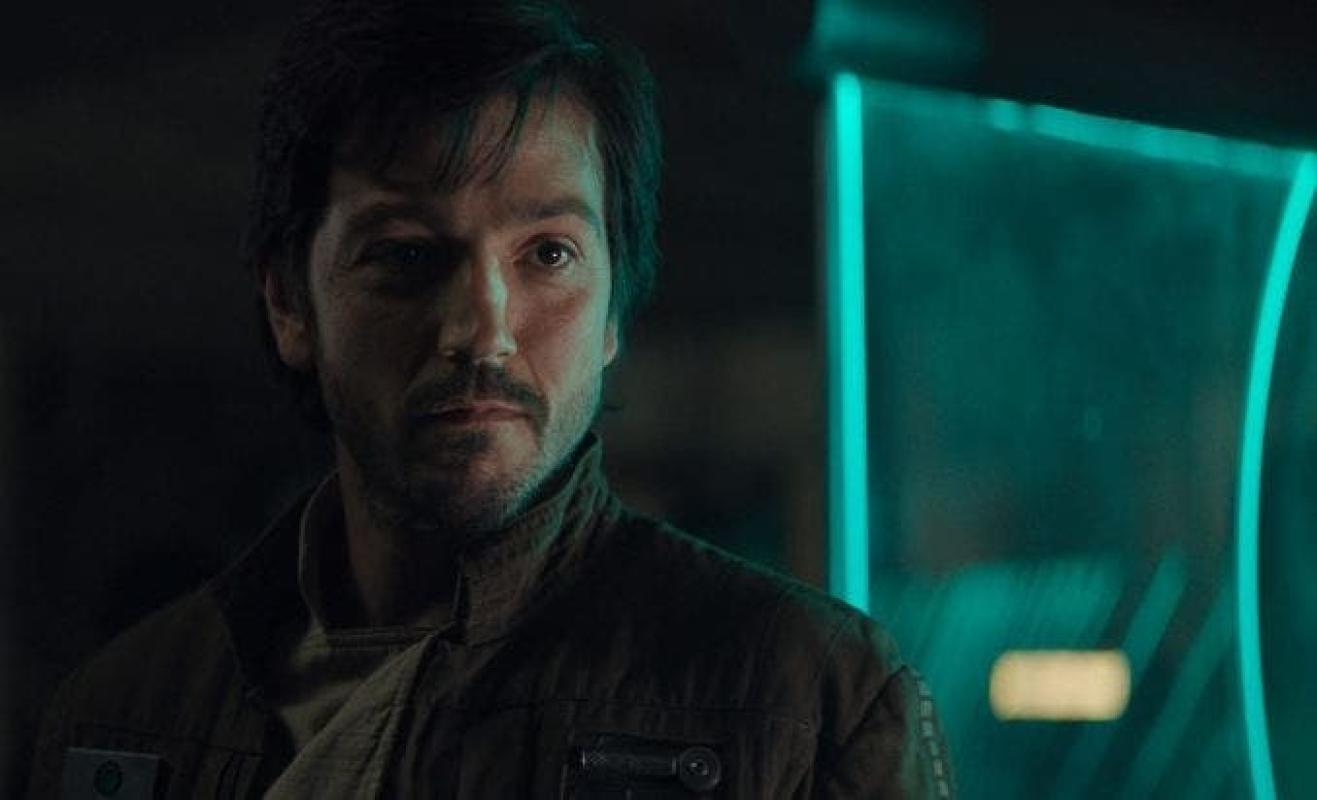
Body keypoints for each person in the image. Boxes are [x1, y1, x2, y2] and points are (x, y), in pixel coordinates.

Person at [27, 0, 954, 796]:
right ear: (289, 304)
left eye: (548, 253)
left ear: (612, 313)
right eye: (405, 254)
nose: (482, 328)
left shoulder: (813, 700)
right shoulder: (126, 712)